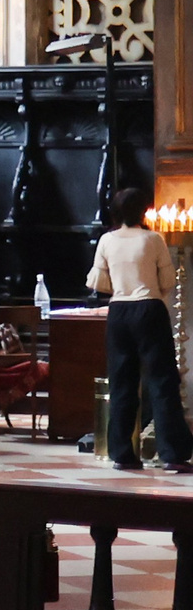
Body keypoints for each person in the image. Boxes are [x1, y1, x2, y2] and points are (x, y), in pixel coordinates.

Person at [88, 186, 193, 472]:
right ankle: (173, 453)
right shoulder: (152, 239)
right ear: (143, 212)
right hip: (149, 308)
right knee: (162, 381)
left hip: (119, 311)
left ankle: (122, 454)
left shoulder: (107, 240)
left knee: (121, 381)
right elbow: (168, 281)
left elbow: (99, 283)